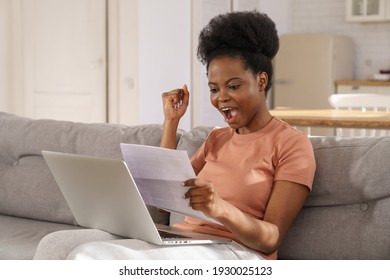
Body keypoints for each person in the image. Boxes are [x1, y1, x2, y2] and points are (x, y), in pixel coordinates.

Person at [59, 10, 315, 260]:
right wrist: (171, 121)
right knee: (57, 245)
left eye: (233, 86)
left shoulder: (292, 144)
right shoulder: (217, 139)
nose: (222, 97)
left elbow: (271, 238)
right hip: (184, 240)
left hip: (237, 252)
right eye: (214, 89)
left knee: (89, 256)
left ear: (261, 81)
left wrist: (220, 208)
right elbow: (164, 200)